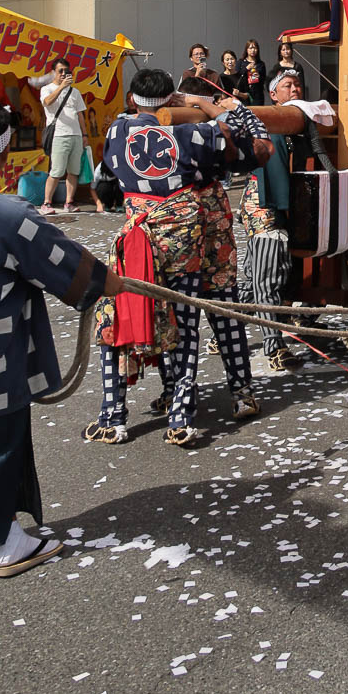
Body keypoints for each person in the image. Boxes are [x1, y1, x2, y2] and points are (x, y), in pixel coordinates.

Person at [0, 103, 117, 585]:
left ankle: (5, 537)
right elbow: (67, 266)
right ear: (5, 150)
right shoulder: (9, 214)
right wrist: (107, 282)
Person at [84, 69, 259, 448]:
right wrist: (203, 105)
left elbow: (110, 166)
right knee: (191, 322)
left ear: (134, 99)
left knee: (115, 317)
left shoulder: (118, 131)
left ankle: (113, 416)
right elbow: (244, 133)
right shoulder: (193, 134)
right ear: (171, 99)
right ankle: (187, 412)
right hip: (186, 239)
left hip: (138, 239)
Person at [237, 68, 328, 372]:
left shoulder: (302, 120)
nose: (295, 89)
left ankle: (224, 329)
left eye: (298, 84)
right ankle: (274, 347)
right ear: (274, 94)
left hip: (286, 207)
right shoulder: (264, 119)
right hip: (263, 206)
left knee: (256, 280)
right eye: (288, 85)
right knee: (268, 280)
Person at [33, 58, 90, 215]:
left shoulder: (75, 92)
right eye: (61, 71)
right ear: (53, 73)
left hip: (76, 135)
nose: (64, 74)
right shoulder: (47, 89)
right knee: (56, 171)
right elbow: (47, 102)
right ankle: (46, 203)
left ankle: (69, 202)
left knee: (73, 171)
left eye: (67, 71)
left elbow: (80, 114)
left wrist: (84, 134)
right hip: (59, 135)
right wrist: (61, 87)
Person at [236, 40, 268, 104]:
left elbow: (264, 79)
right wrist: (246, 68)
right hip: (243, 94)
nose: (253, 50)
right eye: (250, 48)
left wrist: (259, 76)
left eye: (255, 48)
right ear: (246, 50)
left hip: (257, 94)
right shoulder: (241, 62)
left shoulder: (261, 64)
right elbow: (237, 76)